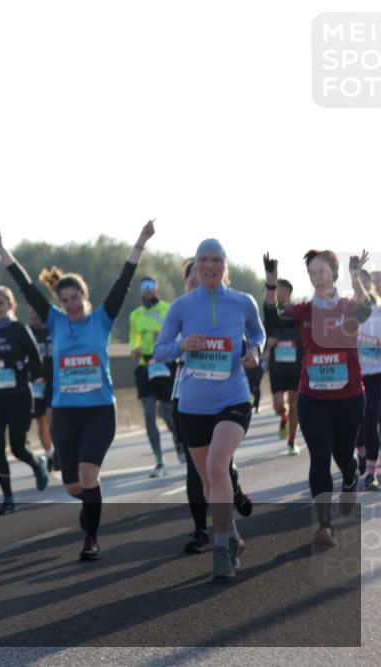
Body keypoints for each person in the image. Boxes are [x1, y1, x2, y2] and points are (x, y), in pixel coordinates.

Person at [0, 219, 155, 561]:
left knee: (88, 474)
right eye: (65, 299)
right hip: (65, 412)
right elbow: (26, 288)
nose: (71, 303)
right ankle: (91, 503)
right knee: (73, 485)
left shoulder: (102, 319)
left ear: (84, 295)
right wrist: (3, 251)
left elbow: (123, 282)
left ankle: (90, 538)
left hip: (98, 411)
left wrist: (140, 241)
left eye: (75, 297)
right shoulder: (55, 321)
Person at [154, 240, 265, 580]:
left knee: (218, 467)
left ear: (224, 265)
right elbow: (159, 352)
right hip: (191, 405)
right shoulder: (181, 306)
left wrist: (255, 353)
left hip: (233, 398)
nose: (210, 265)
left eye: (216, 259)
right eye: (204, 259)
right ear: (196, 266)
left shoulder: (242, 302)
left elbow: (258, 333)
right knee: (207, 478)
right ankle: (230, 534)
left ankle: (220, 551)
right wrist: (181, 345)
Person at [263, 250, 373, 547]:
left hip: (349, 396)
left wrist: (356, 278)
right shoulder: (304, 310)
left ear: (333, 275)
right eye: (311, 272)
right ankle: (324, 526)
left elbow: (367, 308)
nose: (316, 277)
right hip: (313, 397)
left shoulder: (349, 306)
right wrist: (271, 285)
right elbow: (272, 319)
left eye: (321, 271)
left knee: (342, 455)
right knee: (320, 456)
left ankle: (350, 478)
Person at [170, 261, 251, 555]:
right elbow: (164, 348)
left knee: (217, 466)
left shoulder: (228, 312)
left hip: (224, 399)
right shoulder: (180, 312)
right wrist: (182, 345)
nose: (196, 285)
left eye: (200, 280)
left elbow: (245, 345)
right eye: (191, 281)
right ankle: (203, 530)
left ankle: (232, 495)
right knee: (199, 470)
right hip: (186, 397)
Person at [0, 286, 49, 515]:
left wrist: (19, 366)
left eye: (0, 303)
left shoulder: (20, 330)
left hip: (19, 398)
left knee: (17, 448)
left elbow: (37, 363)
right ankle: (8, 498)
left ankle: (37, 464)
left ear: (10, 306)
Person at [129, 275, 181, 476]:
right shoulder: (136, 315)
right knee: (149, 414)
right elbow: (133, 339)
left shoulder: (168, 310)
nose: (148, 289)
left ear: (157, 288)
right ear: (140, 291)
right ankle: (159, 460)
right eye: (144, 286)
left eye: (151, 285)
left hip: (166, 364)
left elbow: (178, 335)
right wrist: (135, 349)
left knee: (168, 414)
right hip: (146, 366)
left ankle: (179, 445)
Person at [263, 278, 302, 454]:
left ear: (286, 291)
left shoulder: (299, 312)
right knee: (279, 405)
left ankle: (292, 442)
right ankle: (283, 417)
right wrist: (268, 342)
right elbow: (262, 335)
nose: (274, 293)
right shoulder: (271, 315)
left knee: (294, 403)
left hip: (296, 365)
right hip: (277, 366)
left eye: (277, 289)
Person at [354, 268, 381, 491]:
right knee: (356, 424)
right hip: (354, 375)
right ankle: (361, 451)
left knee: (371, 420)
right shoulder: (346, 312)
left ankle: (371, 473)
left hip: (376, 375)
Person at [29, 308, 56, 471]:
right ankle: (50, 454)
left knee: (53, 419)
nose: (34, 316)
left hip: (54, 383)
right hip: (36, 384)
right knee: (42, 424)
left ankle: (59, 452)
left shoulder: (53, 330)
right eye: (32, 313)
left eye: (37, 313)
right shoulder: (27, 332)